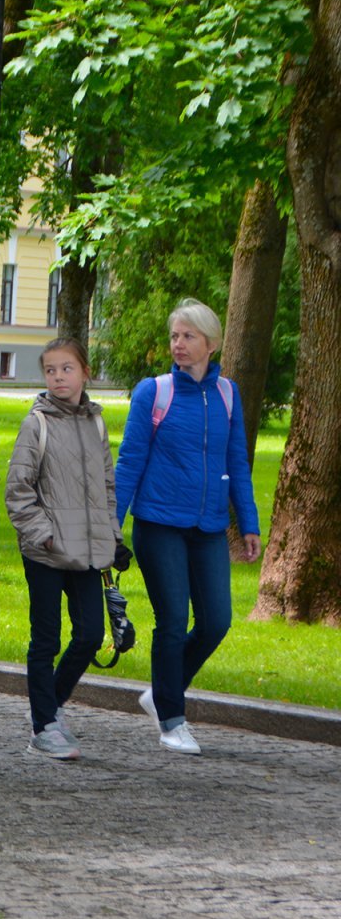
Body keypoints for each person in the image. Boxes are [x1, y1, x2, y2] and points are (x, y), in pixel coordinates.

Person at [114, 298, 261, 756]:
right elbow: (129, 462)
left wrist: (249, 522)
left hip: (210, 527)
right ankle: (172, 720)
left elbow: (236, 460)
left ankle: (162, 691)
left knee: (216, 621)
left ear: (210, 344)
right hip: (158, 524)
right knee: (173, 621)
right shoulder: (153, 392)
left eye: (188, 337)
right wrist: (110, 525)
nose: (178, 344)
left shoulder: (227, 395)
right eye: (175, 336)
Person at [5, 338, 129, 760]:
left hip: (88, 552)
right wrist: (44, 534)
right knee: (46, 639)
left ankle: (48, 706)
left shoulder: (96, 424)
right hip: (46, 552)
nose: (59, 376)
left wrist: (113, 537)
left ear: (85, 373)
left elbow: (107, 488)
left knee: (92, 634)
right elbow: (18, 491)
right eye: (51, 370)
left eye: (67, 368)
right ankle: (44, 727)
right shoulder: (35, 424)